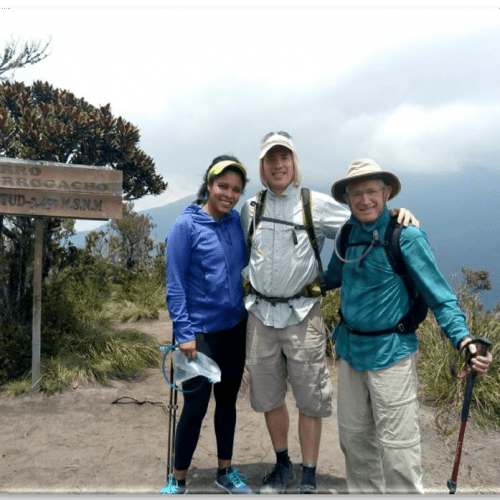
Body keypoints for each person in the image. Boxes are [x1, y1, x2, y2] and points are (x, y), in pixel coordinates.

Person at [240, 133, 417, 494]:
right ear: (262, 166)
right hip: (259, 315)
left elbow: (364, 218)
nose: (278, 165)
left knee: (310, 397)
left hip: (303, 314)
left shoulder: (314, 204)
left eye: (284, 157)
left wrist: (398, 215)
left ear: (294, 162)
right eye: (271, 159)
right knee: (268, 396)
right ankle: (282, 464)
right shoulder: (250, 208)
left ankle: (308, 471)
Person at [324, 158, 493, 494]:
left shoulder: (406, 235)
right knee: (355, 446)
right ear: (346, 198)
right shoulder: (346, 235)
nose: (364, 199)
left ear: (386, 192)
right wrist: (280, 288)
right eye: (356, 193)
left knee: (399, 454)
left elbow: (440, 296)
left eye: (372, 191)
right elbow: (330, 278)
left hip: (393, 355)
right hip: (350, 352)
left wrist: (464, 341)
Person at [163, 155, 253, 495]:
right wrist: (184, 333)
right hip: (198, 333)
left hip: (233, 328)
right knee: (196, 406)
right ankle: (179, 479)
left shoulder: (234, 223)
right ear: (209, 184)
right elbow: (174, 284)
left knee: (227, 402)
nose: (229, 194)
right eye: (223, 186)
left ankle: (225, 471)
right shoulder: (184, 228)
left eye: (235, 189)